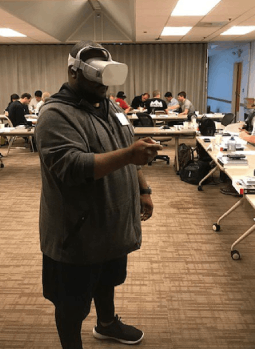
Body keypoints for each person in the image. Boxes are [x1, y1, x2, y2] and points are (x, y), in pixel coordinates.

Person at [34, 40, 162, 349]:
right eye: (95, 75)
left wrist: (143, 188)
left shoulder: (111, 107)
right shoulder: (55, 115)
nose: (102, 83)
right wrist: (130, 155)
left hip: (112, 224)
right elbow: (72, 166)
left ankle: (106, 324)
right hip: (75, 231)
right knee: (71, 302)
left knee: (107, 280)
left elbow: (126, 148)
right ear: (73, 73)